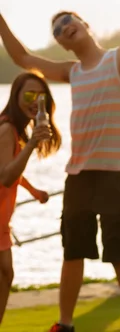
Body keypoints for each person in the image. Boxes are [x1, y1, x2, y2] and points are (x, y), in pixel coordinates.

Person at [0, 0, 120, 332]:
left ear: (83, 24)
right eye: (57, 29)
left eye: (68, 20)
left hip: (114, 174)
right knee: (73, 251)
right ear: (62, 44)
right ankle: (64, 324)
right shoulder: (71, 72)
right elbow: (23, 59)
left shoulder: (119, 59)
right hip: (78, 174)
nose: (64, 26)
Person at [0, 70, 61, 325]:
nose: (34, 101)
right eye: (28, 94)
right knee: (4, 274)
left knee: (6, 273)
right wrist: (31, 143)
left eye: (40, 96)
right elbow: (5, 176)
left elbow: (11, 170)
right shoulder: (7, 129)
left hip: (2, 220)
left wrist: (33, 190)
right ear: (15, 96)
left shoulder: (16, 129)